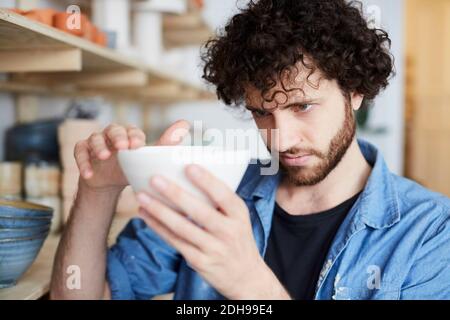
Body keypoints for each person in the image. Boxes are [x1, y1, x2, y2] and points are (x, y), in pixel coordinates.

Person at [51, 0, 450, 300]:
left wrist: (249, 283)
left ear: (355, 91)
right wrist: (96, 192)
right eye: (262, 113)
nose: (281, 138)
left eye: (302, 106)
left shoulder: (430, 230)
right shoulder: (213, 191)